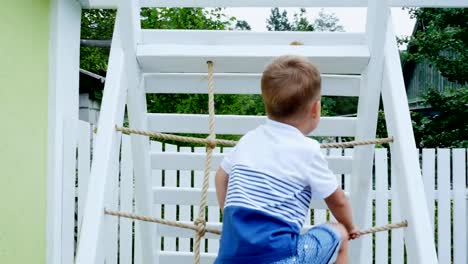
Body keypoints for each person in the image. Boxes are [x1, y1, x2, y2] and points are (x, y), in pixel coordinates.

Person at [214, 55, 359, 264]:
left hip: (229, 259)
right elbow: (338, 200)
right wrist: (350, 226)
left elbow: (221, 177)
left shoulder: (249, 139)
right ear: (316, 109)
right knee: (339, 233)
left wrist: (229, 217)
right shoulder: (308, 150)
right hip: (280, 259)